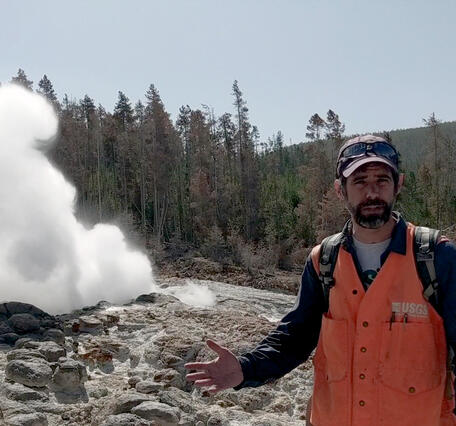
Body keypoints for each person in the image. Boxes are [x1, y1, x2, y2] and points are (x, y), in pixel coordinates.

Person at [185, 134, 456, 426]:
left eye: (382, 180)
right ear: (340, 190)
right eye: (360, 182)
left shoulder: (435, 258)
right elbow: (295, 338)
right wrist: (245, 368)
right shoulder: (323, 260)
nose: (372, 192)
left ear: (398, 184)